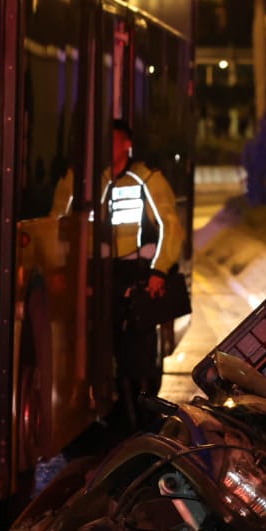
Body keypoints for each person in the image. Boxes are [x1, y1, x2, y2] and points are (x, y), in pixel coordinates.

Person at [100, 119, 185, 429]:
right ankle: (123, 414)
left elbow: (171, 228)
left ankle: (145, 417)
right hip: (108, 275)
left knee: (141, 349)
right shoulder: (100, 181)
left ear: (127, 145)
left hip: (140, 275)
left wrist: (158, 271)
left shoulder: (147, 179)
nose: (108, 147)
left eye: (114, 140)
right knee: (114, 347)